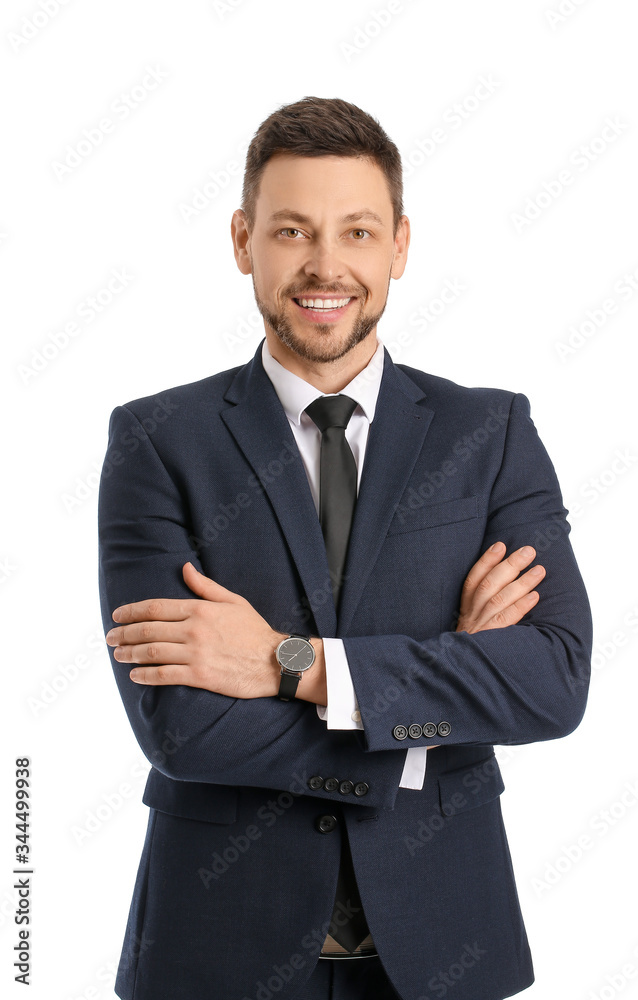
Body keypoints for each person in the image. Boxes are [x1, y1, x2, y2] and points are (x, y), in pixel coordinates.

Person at [98, 96, 592, 1000]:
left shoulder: (490, 433)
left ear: (399, 245)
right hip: (216, 952)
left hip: (448, 945)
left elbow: (551, 683)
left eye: (357, 231)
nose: (325, 266)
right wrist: (434, 703)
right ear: (243, 240)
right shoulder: (155, 440)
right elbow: (184, 730)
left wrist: (291, 663)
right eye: (292, 231)